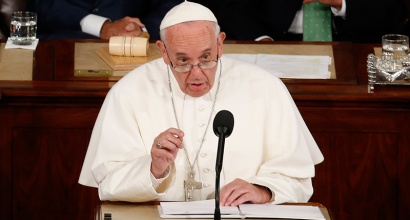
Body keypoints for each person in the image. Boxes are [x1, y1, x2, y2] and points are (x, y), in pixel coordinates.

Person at [79, 1, 324, 206]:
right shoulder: (129, 92)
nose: (196, 74)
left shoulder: (265, 87)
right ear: (163, 51)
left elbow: (298, 179)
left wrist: (263, 190)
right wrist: (153, 169)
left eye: (206, 58)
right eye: (182, 61)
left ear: (220, 44)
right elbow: (108, 183)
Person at [215, 0, 409, 43]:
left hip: (351, 45)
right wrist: (261, 40)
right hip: (276, 43)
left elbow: (394, 11)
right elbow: (232, 8)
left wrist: (340, 3)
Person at [25, 0, 180, 40]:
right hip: (61, 45)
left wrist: (141, 30)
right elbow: (43, 5)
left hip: (133, 50)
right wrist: (102, 27)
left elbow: (170, 6)